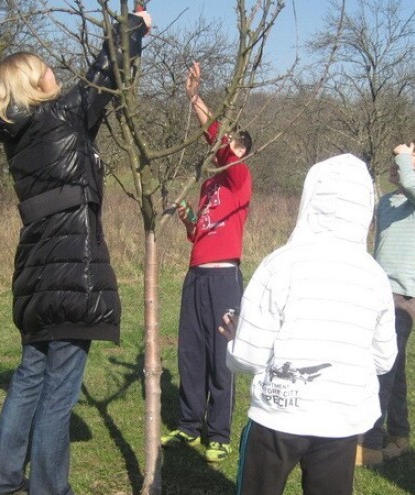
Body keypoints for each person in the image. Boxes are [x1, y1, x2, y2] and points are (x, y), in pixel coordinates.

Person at [0, 10, 151, 495]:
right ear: (34, 83)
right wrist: (134, 29)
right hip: (73, 270)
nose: (55, 71)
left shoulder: (19, 133)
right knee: (58, 395)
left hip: (35, 271)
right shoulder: (63, 115)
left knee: (30, 378)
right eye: (46, 68)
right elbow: (106, 70)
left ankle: (4, 483)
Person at [218, 153, 397, 495]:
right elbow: (383, 359)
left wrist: (235, 340)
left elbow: (250, 357)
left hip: (278, 415)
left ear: (310, 199)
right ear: (364, 209)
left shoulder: (280, 264)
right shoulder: (374, 275)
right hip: (340, 421)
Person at [160, 61, 253, 463]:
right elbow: (199, 232)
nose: (224, 146)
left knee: (220, 354)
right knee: (192, 352)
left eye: (231, 142)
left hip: (224, 280)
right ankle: (188, 427)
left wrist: (195, 98)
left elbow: (215, 139)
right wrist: (187, 216)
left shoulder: (239, 177)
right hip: (196, 276)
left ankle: (218, 433)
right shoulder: (210, 183)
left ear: (243, 151)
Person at [358, 142, 415, 464]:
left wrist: (404, 153)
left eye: (407, 158)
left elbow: (407, 182)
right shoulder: (385, 202)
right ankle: (400, 433)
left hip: (404, 296)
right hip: (379, 290)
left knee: (382, 366)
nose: (397, 159)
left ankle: (371, 445)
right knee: (394, 364)